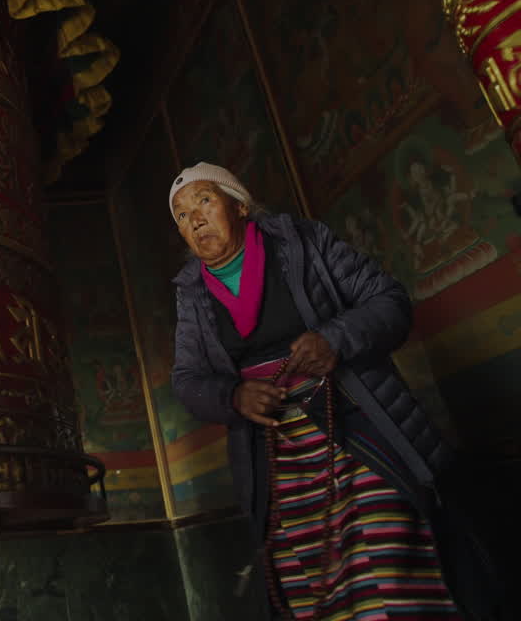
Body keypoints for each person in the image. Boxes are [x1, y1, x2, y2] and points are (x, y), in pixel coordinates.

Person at [168, 162, 500, 620]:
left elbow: (390, 301)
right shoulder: (192, 293)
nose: (195, 220)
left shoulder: (303, 243)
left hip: (356, 425)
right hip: (277, 456)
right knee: (310, 579)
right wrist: (233, 397)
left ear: (240, 205)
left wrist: (335, 340)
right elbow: (187, 380)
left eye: (204, 201)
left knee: (390, 551)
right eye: (182, 215)